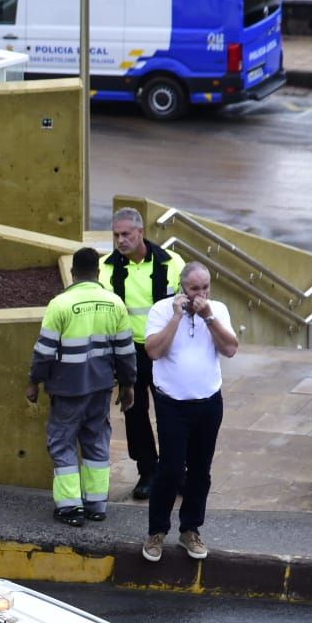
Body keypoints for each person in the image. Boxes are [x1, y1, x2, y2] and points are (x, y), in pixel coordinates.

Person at [27, 247, 135, 526]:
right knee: (96, 442)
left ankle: (70, 507)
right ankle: (96, 505)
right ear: (98, 273)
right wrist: (127, 385)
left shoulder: (60, 304)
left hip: (67, 389)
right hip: (101, 388)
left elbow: (44, 350)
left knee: (62, 443)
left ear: (73, 273)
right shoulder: (115, 303)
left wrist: (34, 381)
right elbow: (125, 350)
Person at [140, 262, 238, 563]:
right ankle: (157, 531)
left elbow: (231, 348)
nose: (201, 294)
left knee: (200, 470)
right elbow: (154, 351)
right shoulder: (160, 310)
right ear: (182, 288)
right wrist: (176, 317)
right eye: (195, 289)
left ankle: (190, 529)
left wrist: (209, 317)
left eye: (205, 288)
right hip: (172, 403)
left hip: (208, 402)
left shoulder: (217, 310)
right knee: (169, 469)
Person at [100, 208, 184, 501]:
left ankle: (175, 472)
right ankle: (147, 471)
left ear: (141, 232)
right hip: (128, 352)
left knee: (171, 412)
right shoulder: (105, 268)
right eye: (116, 235)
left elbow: (187, 305)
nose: (120, 240)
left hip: (164, 349)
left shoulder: (171, 263)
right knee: (135, 413)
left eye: (126, 234)